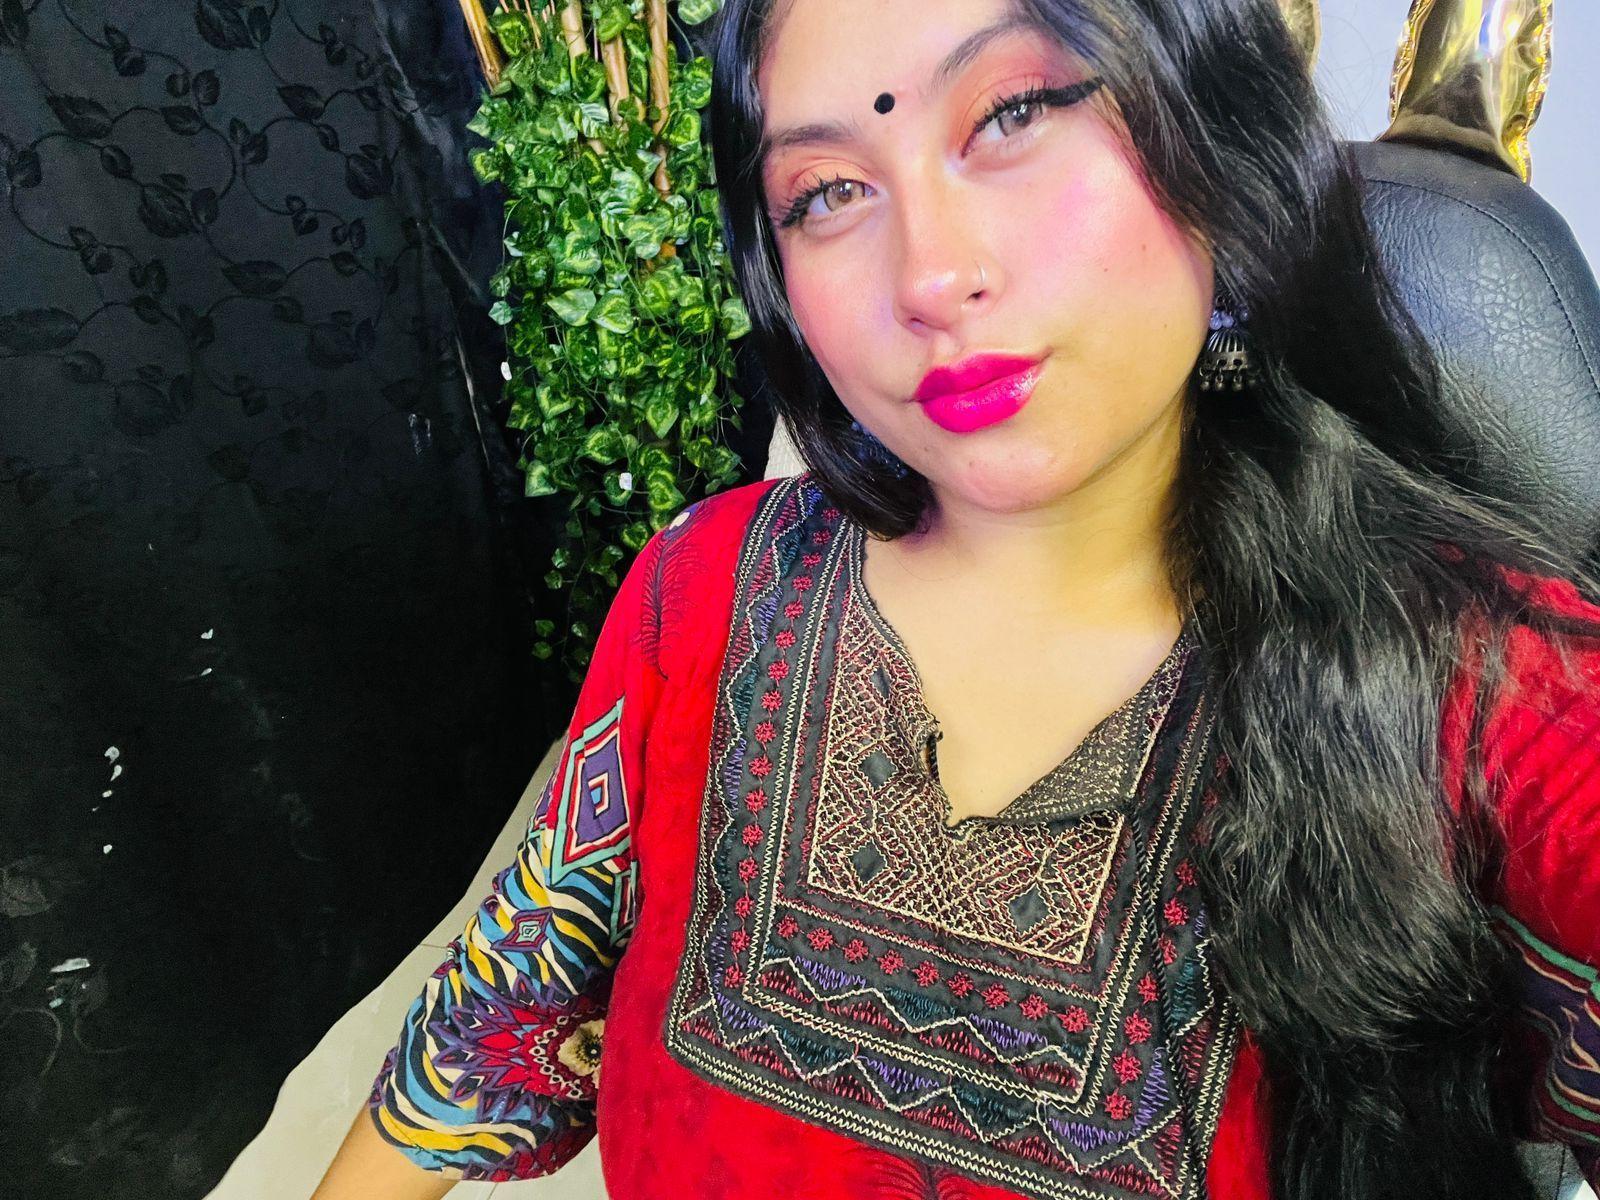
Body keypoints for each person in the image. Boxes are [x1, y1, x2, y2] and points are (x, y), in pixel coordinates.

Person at [311, 0, 1600, 1197]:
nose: (928, 277)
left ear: (1210, 128)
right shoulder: (701, 592)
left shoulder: (1501, 697)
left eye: (1012, 114)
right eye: (828, 192)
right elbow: (486, 1026)